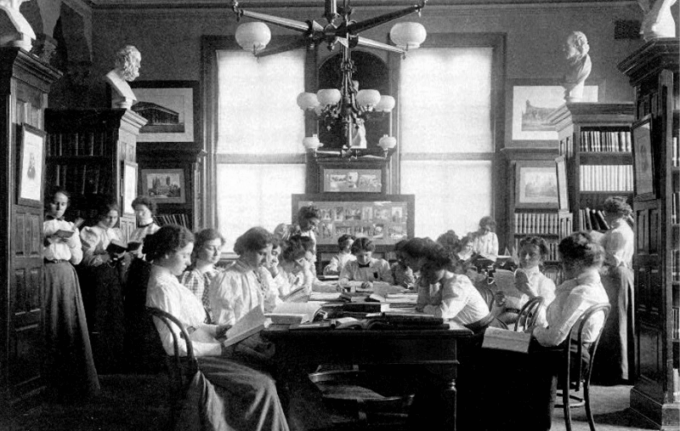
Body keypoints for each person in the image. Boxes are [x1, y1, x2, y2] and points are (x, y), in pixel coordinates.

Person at [144, 225, 290, 431]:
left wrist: (217, 330)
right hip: (192, 360)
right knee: (261, 384)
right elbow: (172, 344)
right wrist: (219, 349)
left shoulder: (168, 280)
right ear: (168, 253)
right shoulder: (163, 287)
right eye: (185, 255)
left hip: (201, 349)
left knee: (265, 370)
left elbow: (188, 325)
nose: (188, 261)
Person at [487, 232, 609, 431]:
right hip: (563, 350)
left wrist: (534, 331)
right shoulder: (587, 286)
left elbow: (553, 337)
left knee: (495, 350)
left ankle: (511, 421)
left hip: (567, 355)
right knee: (492, 341)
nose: (562, 266)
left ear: (574, 263)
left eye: (563, 262)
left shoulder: (581, 292)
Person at [42, 188, 100, 400]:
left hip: (66, 274)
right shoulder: (38, 224)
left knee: (68, 322)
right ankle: (49, 384)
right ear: (48, 203)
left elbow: (76, 259)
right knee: (50, 322)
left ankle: (74, 383)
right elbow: (29, 253)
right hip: (46, 273)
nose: (58, 207)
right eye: (55, 203)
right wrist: (49, 241)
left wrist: (70, 241)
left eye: (63, 204)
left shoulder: (70, 227)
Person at [78, 200, 128, 372]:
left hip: (113, 277)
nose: (112, 220)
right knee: (98, 316)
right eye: (108, 217)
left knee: (115, 315)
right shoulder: (91, 232)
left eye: (115, 217)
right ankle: (98, 362)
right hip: (96, 279)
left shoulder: (116, 232)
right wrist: (107, 255)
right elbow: (86, 260)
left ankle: (114, 361)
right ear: (101, 215)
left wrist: (120, 255)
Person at [402, 238, 493, 330]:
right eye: (422, 270)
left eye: (428, 268)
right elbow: (422, 306)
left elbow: (442, 314)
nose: (425, 273)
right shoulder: (444, 284)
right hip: (469, 329)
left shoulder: (457, 283)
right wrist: (424, 285)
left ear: (441, 265)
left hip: (485, 332)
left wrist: (425, 308)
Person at [595, 196, 635, 383]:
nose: (606, 218)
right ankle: (619, 369)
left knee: (616, 320)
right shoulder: (621, 229)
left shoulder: (618, 232)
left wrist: (599, 253)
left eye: (608, 214)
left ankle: (618, 371)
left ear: (614, 214)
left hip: (616, 276)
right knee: (617, 320)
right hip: (619, 275)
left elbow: (615, 260)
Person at [209, 227, 282, 326]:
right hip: (238, 337)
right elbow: (226, 324)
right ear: (246, 250)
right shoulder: (226, 279)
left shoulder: (263, 274)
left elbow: (275, 306)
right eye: (262, 254)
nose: (266, 260)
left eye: (268, 255)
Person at [496, 236, 557, 326]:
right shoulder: (511, 277)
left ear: (541, 259)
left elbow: (544, 320)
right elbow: (498, 312)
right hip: (504, 320)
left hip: (525, 324)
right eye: (523, 253)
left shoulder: (545, 282)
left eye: (532, 254)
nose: (526, 258)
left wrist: (532, 295)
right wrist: (499, 303)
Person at [179, 228, 226, 318]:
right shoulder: (192, 277)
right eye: (211, 248)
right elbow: (190, 312)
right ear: (198, 249)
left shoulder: (219, 274)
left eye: (219, 248)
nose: (216, 253)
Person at [276, 235, 316, 299]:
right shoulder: (278, 271)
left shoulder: (286, 272)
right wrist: (306, 272)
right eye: (296, 264)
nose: (299, 266)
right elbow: (287, 295)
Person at [562, 31, 592, 102]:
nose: (563, 49)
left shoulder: (584, 66)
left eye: (567, 46)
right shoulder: (571, 64)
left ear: (578, 46)